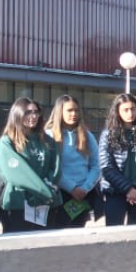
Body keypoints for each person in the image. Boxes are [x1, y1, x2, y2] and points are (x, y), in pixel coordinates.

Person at [0, 97, 61, 233]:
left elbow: (55, 168)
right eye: (28, 112)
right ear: (17, 114)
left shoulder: (47, 140)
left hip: (46, 205)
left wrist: (47, 192)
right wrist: (44, 193)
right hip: (19, 204)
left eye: (36, 112)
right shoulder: (7, 142)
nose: (33, 116)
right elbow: (17, 175)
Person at [98, 93, 136, 225]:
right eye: (125, 110)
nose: (130, 113)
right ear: (117, 112)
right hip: (115, 192)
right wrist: (128, 189)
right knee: (114, 235)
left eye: (133, 109)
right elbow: (106, 167)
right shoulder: (108, 135)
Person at [46, 94, 100, 228]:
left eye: (76, 110)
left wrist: (85, 188)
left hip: (83, 196)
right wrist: (72, 188)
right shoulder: (49, 135)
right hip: (59, 195)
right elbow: (50, 168)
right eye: (69, 110)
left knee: (77, 233)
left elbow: (96, 166)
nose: (74, 114)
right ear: (60, 112)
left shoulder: (87, 136)